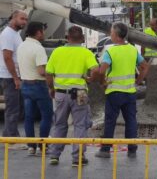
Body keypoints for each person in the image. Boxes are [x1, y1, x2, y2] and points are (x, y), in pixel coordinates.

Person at [46, 26, 99, 167]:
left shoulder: (57, 52)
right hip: (80, 93)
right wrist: (90, 79)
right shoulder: (86, 52)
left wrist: (51, 88)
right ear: (82, 38)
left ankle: (54, 155)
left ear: (67, 37)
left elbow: (48, 73)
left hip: (61, 93)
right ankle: (77, 158)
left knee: (59, 124)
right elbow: (96, 70)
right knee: (80, 125)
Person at [95, 23, 149, 159]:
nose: (110, 35)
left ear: (116, 35)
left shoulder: (111, 51)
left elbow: (101, 71)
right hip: (130, 93)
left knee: (110, 121)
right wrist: (138, 81)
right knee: (131, 120)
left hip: (114, 93)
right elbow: (145, 66)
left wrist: (102, 83)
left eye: (111, 33)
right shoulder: (132, 50)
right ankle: (132, 150)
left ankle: (105, 150)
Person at [17, 22, 53, 155]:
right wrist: (52, 79)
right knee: (47, 116)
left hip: (25, 84)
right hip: (39, 85)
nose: (44, 34)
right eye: (43, 31)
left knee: (29, 117)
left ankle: (31, 146)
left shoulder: (21, 46)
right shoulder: (38, 48)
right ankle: (43, 146)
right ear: (38, 32)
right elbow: (41, 71)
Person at [0, 10, 28, 143]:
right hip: (9, 76)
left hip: (13, 76)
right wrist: (16, 78)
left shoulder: (15, 34)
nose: (24, 22)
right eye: (22, 19)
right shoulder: (8, 34)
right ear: (14, 18)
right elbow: (7, 57)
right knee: (12, 109)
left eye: (26, 19)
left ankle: (10, 135)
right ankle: (11, 139)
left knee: (16, 108)